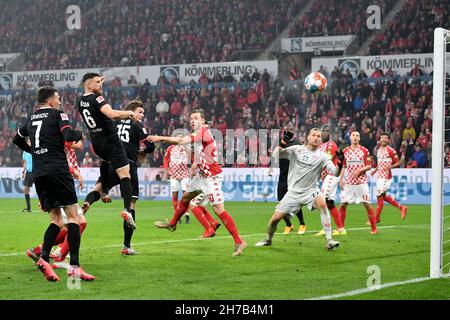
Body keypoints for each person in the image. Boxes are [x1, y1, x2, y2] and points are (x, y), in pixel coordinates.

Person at [13, 86, 94, 282]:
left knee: (56, 221)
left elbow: (17, 139)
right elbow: (68, 136)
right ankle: (74, 266)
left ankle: (43, 258)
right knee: (73, 218)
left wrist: (34, 152)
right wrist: (80, 134)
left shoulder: (31, 119)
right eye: (58, 98)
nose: (59, 101)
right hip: (58, 170)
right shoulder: (59, 115)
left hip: (40, 173)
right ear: (50, 101)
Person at [149, 109, 246, 256]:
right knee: (188, 198)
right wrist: (197, 163)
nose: (192, 121)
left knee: (219, 210)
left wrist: (159, 137)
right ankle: (173, 224)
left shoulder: (203, 132)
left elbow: (181, 141)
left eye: (195, 118)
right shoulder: (199, 135)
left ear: (203, 121)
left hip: (211, 177)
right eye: (191, 119)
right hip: (201, 176)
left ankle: (239, 241)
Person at [81, 100, 155, 255]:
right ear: (132, 111)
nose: (141, 116)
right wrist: (145, 151)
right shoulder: (136, 125)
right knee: (131, 203)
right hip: (127, 164)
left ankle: (85, 205)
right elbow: (150, 144)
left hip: (110, 161)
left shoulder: (114, 123)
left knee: (99, 188)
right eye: (140, 112)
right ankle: (127, 246)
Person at [255, 128, 343, 250]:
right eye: (314, 135)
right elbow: (275, 155)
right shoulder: (297, 149)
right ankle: (268, 239)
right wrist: (283, 142)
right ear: (308, 137)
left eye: (318, 136)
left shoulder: (322, 156)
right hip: (293, 192)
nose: (316, 138)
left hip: (311, 191)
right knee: (275, 220)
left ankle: (329, 240)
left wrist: (340, 163)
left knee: (323, 204)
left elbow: (335, 173)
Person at [77, 73, 138, 229]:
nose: (101, 85)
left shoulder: (80, 101)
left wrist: (97, 82)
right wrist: (130, 113)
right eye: (98, 83)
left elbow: (92, 92)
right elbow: (111, 114)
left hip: (97, 143)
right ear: (89, 85)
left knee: (105, 161)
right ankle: (126, 210)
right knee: (126, 176)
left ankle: (103, 192)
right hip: (111, 141)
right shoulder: (97, 99)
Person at [268, 129, 306, 235]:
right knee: (280, 202)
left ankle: (302, 224)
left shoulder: (296, 144)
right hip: (282, 176)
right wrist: (271, 167)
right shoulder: (280, 143)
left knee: (295, 202)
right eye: (286, 133)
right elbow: (275, 155)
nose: (287, 135)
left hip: (293, 177)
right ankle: (289, 224)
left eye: (289, 133)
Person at [339, 131, 377, 235]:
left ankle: (374, 228)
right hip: (349, 182)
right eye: (353, 135)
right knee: (343, 204)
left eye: (357, 135)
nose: (355, 137)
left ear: (359, 138)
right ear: (350, 138)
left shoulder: (364, 150)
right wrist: (341, 179)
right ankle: (341, 228)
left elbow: (369, 166)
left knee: (367, 204)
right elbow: (343, 166)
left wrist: (359, 171)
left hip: (361, 182)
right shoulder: (345, 151)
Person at [371, 133, 407, 224]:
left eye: (385, 138)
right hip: (380, 176)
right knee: (383, 197)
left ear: (388, 140)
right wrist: (375, 170)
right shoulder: (378, 150)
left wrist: (391, 167)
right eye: (382, 137)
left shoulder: (391, 151)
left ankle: (376, 218)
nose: (383, 139)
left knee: (379, 196)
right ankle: (401, 207)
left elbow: (399, 162)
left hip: (386, 177)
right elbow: (379, 163)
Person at [316, 125, 346, 236]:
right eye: (323, 131)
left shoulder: (331, 144)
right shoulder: (320, 146)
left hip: (332, 175)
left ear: (330, 133)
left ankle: (325, 228)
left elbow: (326, 159)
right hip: (326, 176)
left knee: (322, 200)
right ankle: (341, 229)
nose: (325, 133)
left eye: (327, 131)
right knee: (329, 203)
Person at [164, 136, 191, 224]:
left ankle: (187, 215)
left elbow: (193, 158)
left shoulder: (186, 148)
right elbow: (165, 159)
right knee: (175, 196)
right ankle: (177, 217)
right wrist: (168, 170)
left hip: (184, 174)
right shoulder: (170, 148)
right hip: (174, 174)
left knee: (186, 196)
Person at [21, 147, 34, 212]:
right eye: (27, 141)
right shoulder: (25, 151)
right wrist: (23, 171)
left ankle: (47, 206)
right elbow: (25, 162)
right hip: (29, 172)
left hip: (37, 171)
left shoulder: (35, 149)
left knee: (42, 189)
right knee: (25, 189)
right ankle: (28, 208)